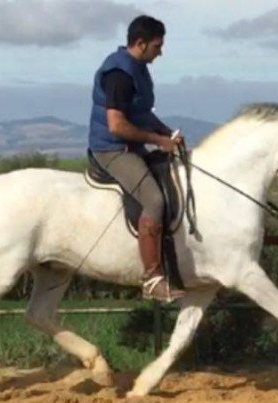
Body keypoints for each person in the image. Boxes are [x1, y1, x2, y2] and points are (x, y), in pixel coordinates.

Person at [88, 15, 184, 303]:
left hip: (131, 145)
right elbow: (117, 125)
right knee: (154, 201)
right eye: (157, 46)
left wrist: (167, 131)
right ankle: (152, 279)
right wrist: (158, 140)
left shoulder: (139, 68)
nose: (161, 52)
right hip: (112, 150)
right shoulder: (119, 75)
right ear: (140, 44)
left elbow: (140, 112)